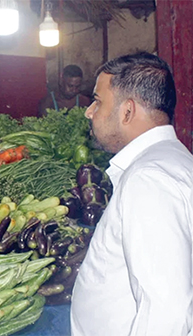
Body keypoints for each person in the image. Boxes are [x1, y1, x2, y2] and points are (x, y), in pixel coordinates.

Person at [71, 52, 193, 335]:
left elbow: (167, 312)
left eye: (98, 101)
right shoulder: (172, 160)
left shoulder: (149, 179)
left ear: (127, 111)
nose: (89, 112)